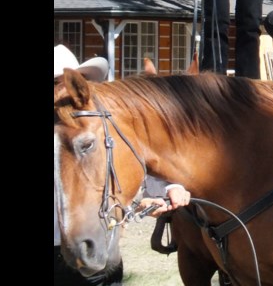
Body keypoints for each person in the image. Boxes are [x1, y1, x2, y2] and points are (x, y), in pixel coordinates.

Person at [53, 46, 191, 285]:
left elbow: (126, 160)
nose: (61, 93)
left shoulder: (93, 128)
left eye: (63, 83)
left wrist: (167, 189)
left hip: (96, 247)